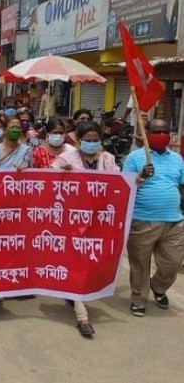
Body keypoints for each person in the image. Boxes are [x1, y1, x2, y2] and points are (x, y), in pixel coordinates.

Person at [51, 121, 118, 338]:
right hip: (72, 219)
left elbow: (119, 183)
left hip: (100, 220)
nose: (91, 143)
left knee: (90, 261)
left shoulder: (108, 159)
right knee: (75, 261)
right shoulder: (66, 159)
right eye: (87, 140)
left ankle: (76, 293)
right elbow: (45, 181)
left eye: (95, 140)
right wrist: (62, 172)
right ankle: (82, 317)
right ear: (79, 140)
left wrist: (140, 177)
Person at [123, 119, 184, 317]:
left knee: (172, 263)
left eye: (165, 130)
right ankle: (139, 299)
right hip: (143, 220)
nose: (162, 134)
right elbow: (123, 187)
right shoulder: (135, 157)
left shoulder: (177, 159)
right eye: (157, 131)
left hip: (173, 221)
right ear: (146, 134)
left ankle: (158, 287)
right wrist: (140, 176)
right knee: (140, 263)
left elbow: (181, 185)